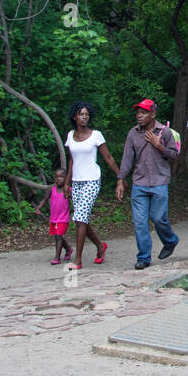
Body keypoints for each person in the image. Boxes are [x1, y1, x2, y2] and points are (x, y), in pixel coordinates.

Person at [117, 98, 179, 268]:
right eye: (138, 112)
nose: (139, 116)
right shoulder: (133, 133)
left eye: (143, 113)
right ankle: (143, 257)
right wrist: (120, 180)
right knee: (140, 222)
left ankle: (170, 240)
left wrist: (159, 145)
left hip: (159, 181)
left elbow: (174, 155)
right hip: (139, 182)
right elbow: (127, 159)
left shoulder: (164, 132)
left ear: (153, 114)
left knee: (159, 218)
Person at [64, 101, 121, 269]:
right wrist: (67, 183)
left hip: (92, 180)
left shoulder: (96, 135)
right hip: (77, 182)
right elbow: (72, 161)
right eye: (81, 114)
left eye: (87, 114)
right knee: (80, 220)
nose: (84, 117)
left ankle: (78, 260)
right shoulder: (70, 135)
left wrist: (120, 176)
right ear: (75, 117)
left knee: (80, 219)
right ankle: (99, 246)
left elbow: (108, 158)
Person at [34, 167, 73, 265]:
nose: (58, 179)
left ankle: (57, 257)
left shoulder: (68, 190)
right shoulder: (52, 190)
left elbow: (75, 201)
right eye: (56, 177)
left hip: (63, 218)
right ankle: (68, 249)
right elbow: (45, 199)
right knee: (57, 236)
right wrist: (38, 208)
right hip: (54, 218)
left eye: (61, 177)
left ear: (66, 178)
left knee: (58, 236)